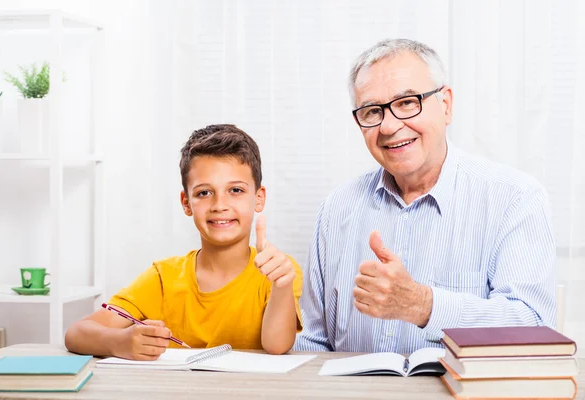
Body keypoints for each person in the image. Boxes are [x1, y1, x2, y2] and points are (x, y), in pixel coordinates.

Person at [294, 39, 556, 353]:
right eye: (372, 111)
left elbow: (533, 327)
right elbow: (314, 342)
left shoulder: (515, 198)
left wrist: (423, 305)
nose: (389, 126)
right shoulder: (336, 208)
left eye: (407, 103)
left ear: (446, 105)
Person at [65, 124, 303, 359]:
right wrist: (120, 342)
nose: (220, 205)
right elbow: (76, 334)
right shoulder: (163, 278)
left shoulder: (279, 271)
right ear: (186, 202)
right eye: (204, 193)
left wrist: (281, 287)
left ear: (258, 198)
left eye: (236, 190)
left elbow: (277, 346)